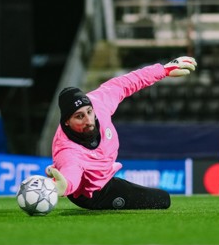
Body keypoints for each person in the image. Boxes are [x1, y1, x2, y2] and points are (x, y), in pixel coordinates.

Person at [45, 56, 197, 210]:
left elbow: (127, 82)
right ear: (66, 122)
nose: (88, 120)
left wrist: (163, 70)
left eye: (89, 112)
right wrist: (64, 186)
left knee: (162, 198)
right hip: (92, 194)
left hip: (106, 178)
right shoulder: (67, 150)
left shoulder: (99, 102)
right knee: (162, 200)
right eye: (79, 117)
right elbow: (71, 173)